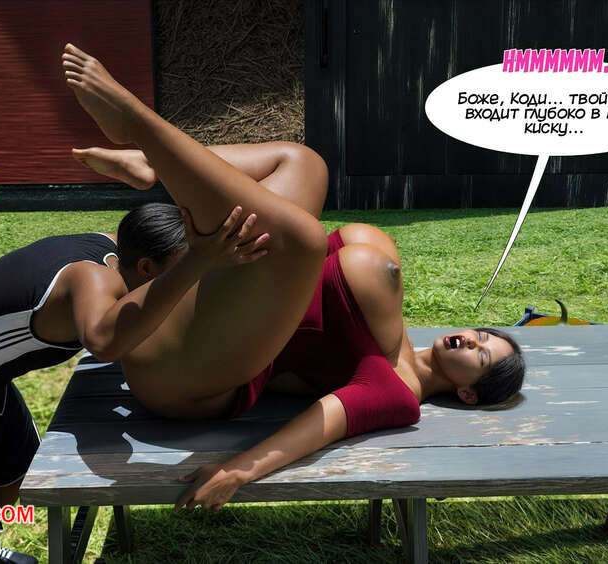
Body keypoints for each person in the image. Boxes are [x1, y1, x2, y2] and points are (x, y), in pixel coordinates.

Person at [61, 43, 527, 512]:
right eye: (482, 334)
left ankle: (140, 125)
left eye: (482, 355)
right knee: (302, 162)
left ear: (468, 393)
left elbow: (322, 424)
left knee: (303, 240)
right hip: (184, 315)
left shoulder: (398, 390)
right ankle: (151, 163)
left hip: (189, 380)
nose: (472, 339)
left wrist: (241, 469)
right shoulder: (397, 333)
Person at [0, 199, 268, 563]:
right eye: (182, 278)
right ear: (146, 268)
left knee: (12, 489)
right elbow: (103, 342)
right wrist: (196, 262)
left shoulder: (119, 250)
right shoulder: (92, 277)